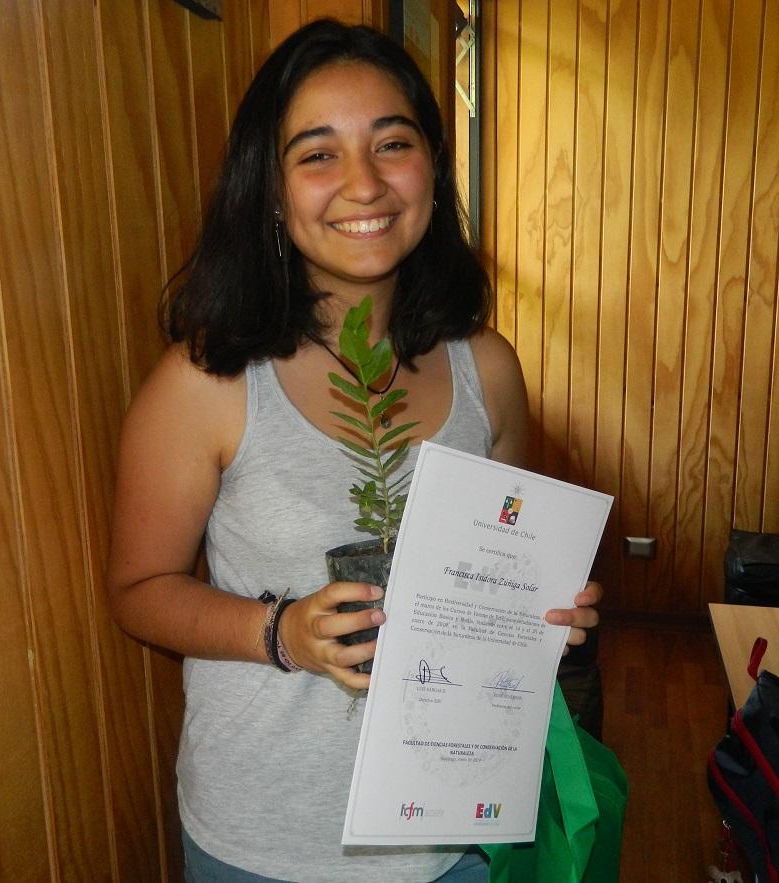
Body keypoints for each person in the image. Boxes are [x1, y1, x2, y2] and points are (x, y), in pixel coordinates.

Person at [109, 19, 601, 883]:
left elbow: (504, 566)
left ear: (432, 167)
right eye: (318, 154)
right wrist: (282, 631)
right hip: (268, 841)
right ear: (269, 187)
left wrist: (546, 613)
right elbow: (139, 591)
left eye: (392, 143)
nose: (364, 183)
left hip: (457, 834)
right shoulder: (211, 381)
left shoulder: (489, 368)